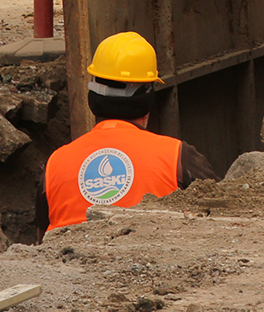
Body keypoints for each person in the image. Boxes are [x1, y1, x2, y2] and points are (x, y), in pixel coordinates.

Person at [36, 32, 217, 239]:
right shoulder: (177, 156)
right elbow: (225, 220)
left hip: (70, 267)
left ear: (93, 96)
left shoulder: (55, 164)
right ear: (147, 97)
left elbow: (41, 245)